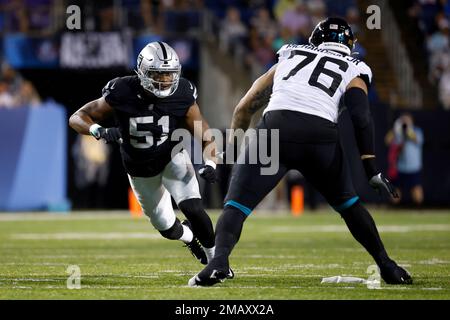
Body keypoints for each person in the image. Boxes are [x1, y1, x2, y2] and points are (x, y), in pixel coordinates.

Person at [189, 17, 412, 286]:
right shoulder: (355, 67)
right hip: (320, 136)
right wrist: (370, 168)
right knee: (350, 206)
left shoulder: (291, 54)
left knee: (235, 205)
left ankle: (219, 263)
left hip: (276, 129)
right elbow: (361, 117)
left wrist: (236, 149)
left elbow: (245, 106)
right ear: (349, 45)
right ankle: (386, 265)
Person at [69, 41, 218, 266]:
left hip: (172, 157)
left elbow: (204, 131)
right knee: (166, 226)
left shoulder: (182, 93)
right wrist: (97, 130)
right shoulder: (121, 90)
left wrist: (211, 161)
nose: (165, 80)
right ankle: (189, 237)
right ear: (142, 71)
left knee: (193, 208)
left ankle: (217, 262)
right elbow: (77, 117)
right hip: (139, 170)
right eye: (158, 73)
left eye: (169, 74)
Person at [385, 113, 424, 205]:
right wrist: (395, 129)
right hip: (400, 167)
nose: (405, 123)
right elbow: (387, 141)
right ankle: (394, 213)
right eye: (403, 120)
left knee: (417, 193)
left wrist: (408, 130)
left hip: (413, 167)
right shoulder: (398, 132)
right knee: (395, 193)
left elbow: (417, 140)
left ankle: (419, 212)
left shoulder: (417, 131)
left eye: (407, 120)